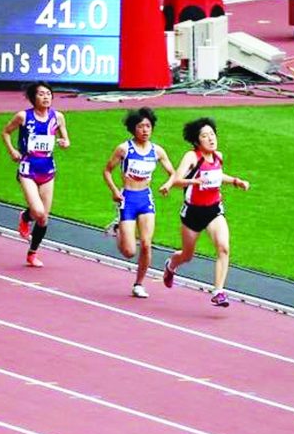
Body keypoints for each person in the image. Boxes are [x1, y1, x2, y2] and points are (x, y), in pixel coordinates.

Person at [160, 117, 250, 307]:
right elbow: (177, 179)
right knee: (187, 255)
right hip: (192, 213)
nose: (210, 138)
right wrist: (194, 182)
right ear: (196, 140)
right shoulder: (191, 157)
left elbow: (217, 175)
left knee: (223, 248)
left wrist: (235, 180)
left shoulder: (218, 156)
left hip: (214, 210)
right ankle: (171, 265)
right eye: (204, 136)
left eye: (212, 134)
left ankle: (218, 292)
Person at [102, 108, 175, 298]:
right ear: (133, 129)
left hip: (145, 199)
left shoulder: (157, 151)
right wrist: (115, 191)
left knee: (146, 243)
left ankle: (139, 284)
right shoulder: (124, 149)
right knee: (128, 251)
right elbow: (107, 171)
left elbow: (173, 173)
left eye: (148, 126)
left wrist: (168, 184)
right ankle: (118, 228)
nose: (145, 130)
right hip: (128, 199)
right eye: (141, 126)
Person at [1, 82, 69, 268]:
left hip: (47, 169)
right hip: (28, 168)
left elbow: (65, 138)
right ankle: (25, 217)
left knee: (43, 218)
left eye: (48, 94)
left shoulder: (58, 117)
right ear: (33, 98)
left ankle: (32, 253)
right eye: (41, 94)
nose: (46, 97)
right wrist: (12, 151)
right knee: (37, 211)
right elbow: (6, 132)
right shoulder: (24, 116)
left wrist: (64, 142)